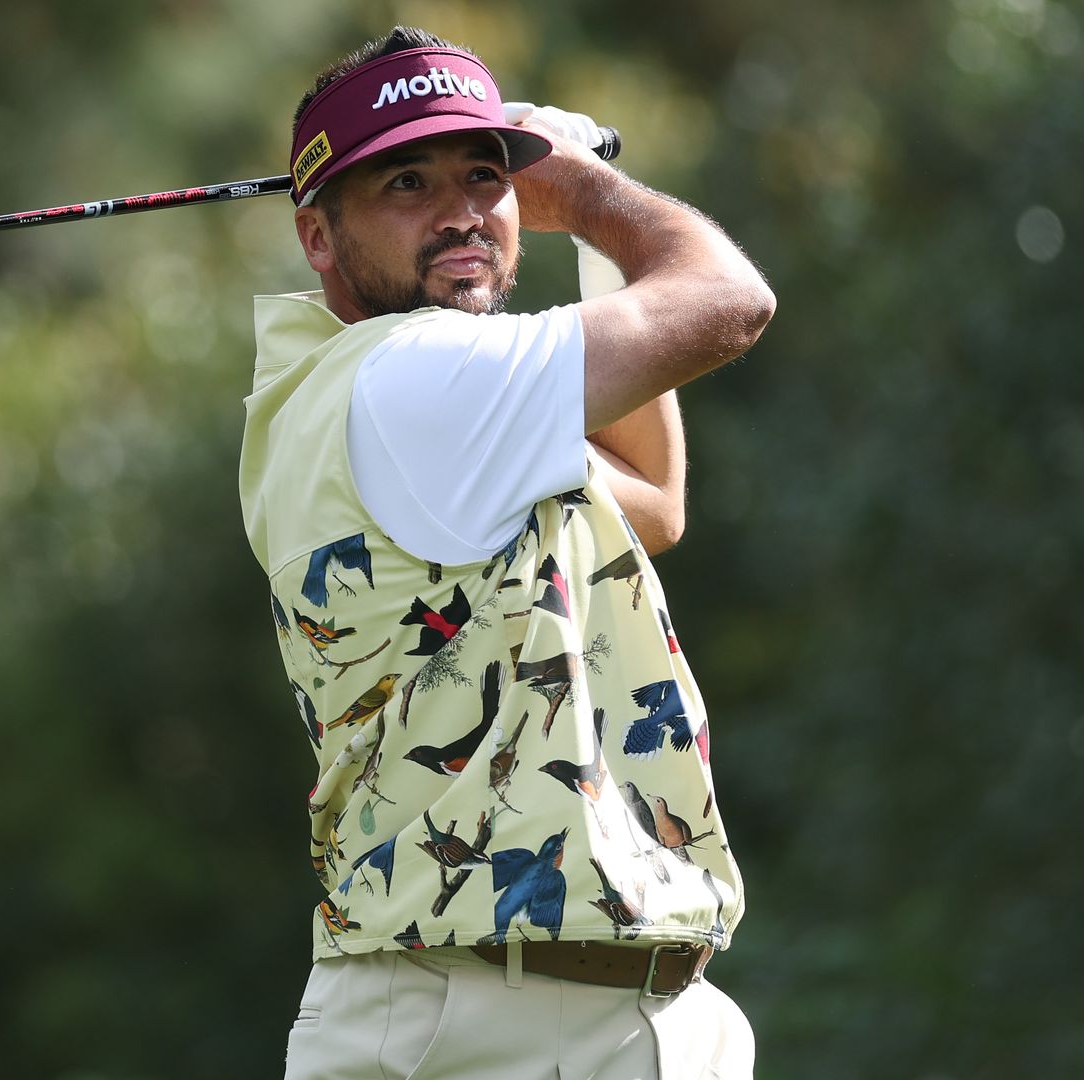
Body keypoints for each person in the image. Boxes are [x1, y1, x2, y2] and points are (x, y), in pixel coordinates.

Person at [239, 26, 775, 1079]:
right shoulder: (414, 377)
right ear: (317, 236)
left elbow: (653, 501)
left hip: (576, 1009)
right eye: (407, 183)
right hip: (483, 1023)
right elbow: (729, 304)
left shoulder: (385, 392)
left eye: (487, 176)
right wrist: (580, 192)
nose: (463, 214)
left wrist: (578, 224)